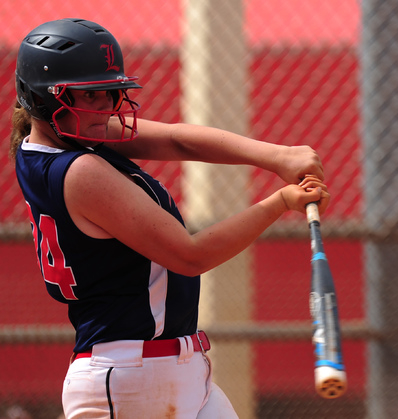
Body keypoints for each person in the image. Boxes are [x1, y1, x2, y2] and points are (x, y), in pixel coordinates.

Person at [10, 18, 330, 419]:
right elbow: (190, 255)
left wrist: (277, 156)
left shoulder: (61, 135)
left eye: (108, 94)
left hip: (173, 371)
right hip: (130, 382)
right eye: (87, 95)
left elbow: (177, 139)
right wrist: (281, 202)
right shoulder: (78, 172)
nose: (104, 108)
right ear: (40, 98)